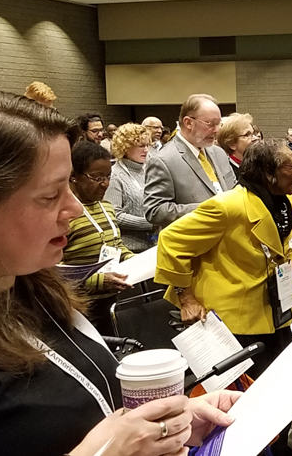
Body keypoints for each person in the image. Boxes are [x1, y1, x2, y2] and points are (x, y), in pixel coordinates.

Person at [0, 88, 239, 456]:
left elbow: (82, 413)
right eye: (49, 196)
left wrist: (169, 425)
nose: (74, 209)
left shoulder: (29, 288)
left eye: (69, 186)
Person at [155, 139, 292, 456]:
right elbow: (171, 241)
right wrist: (186, 296)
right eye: (289, 167)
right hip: (235, 324)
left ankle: (278, 448)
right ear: (269, 174)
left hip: (277, 315)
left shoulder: (284, 206)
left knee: (278, 396)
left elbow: (291, 258)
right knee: (244, 405)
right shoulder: (228, 206)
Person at [64, 141, 133, 332]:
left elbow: (116, 244)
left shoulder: (107, 207)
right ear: (73, 177)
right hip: (80, 305)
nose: (105, 183)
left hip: (113, 301)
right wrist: (98, 281)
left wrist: (136, 261)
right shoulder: (63, 214)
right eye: (97, 177)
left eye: (108, 176)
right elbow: (54, 272)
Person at [143, 94, 237, 228]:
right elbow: (155, 211)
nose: (217, 130)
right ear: (188, 123)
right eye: (210, 124)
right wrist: (205, 210)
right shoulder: (163, 160)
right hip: (194, 241)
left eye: (219, 124)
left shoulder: (219, 153)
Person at [105, 123, 156, 253]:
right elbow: (115, 215)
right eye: (141, 146)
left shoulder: (150, 169)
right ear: (125, 147)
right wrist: (151, 223)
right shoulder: (115, 175)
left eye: (147, 145)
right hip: (130, 249)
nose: (146, 150)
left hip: (155, 244)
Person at [217, 112, 255, 177]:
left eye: (253, 134)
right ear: (232, 144)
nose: (255, 138)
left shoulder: (255, 166)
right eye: (247, 135)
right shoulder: (227, 172)